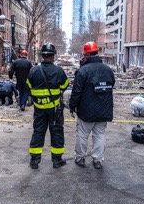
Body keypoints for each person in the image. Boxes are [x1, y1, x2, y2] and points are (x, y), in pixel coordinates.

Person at [69, 41, 115, 169]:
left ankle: (80, 158)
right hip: (104, 110)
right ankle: (98, 160)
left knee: (82, 135)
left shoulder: (83, 71)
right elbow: (111, 85)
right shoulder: (108, 70)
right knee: (99, 135)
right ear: (97, 53)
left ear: (86, 55)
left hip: (87, 111)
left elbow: (76, 91)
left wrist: (72, 106)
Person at [26, 42, 69, 169]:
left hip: (39, 108)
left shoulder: (33, 70)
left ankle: (34, 160)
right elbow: (64, 86)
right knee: (56, 132)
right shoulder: (58, 70)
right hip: (54, 109)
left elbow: (29, 85)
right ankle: (57, 160)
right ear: (53, 56)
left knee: (38, 131)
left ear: (42, 56)